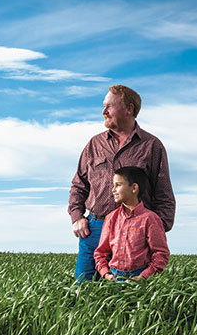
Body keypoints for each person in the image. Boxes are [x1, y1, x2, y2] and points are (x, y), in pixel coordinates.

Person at [69, 85, 175, 283]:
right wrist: (77, 217)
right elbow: (78, 185)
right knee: (83, 291)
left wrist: (155, 229)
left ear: (129, 109)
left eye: (109, 106)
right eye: (103, 106)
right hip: (94, 228)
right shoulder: (94, 144)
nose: (103, 112)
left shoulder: (152, 146)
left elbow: (164, 193)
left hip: (135, 233)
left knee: (130, 300)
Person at [93, 167, 170, 282]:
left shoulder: (150, 219)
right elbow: (101, 252)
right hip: (114, 277)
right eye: (113, 185)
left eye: (118, 185)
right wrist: (106, 274)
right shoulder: (111, 218)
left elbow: (160, 253)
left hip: (140, 277)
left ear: (134, 188)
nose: (113, 189)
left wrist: (143, 276)